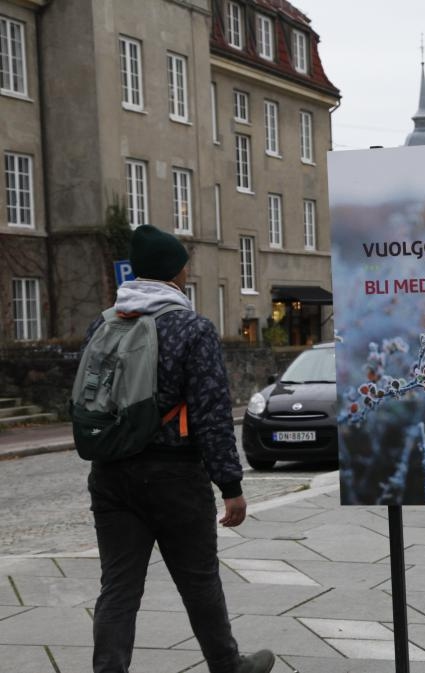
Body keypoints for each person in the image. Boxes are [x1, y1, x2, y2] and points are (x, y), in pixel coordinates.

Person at [84, 225, 274, 673]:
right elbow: (211, 412)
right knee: (199, 581)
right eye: (184, 264)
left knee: (118, 588)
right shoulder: (191, 327)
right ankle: (228, 667)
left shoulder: (104, 323)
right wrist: (230, 484)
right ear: (175, 273)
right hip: (174, 476)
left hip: (110, 475)